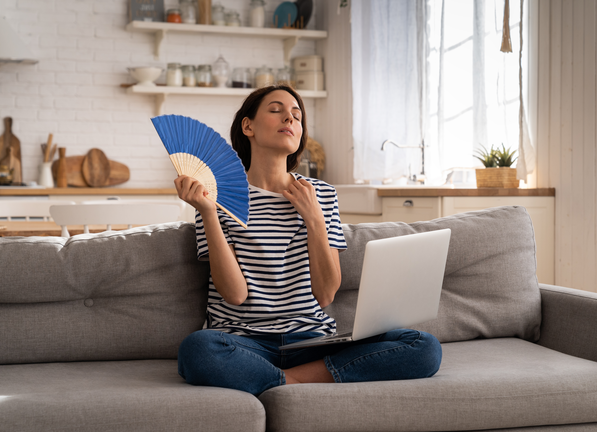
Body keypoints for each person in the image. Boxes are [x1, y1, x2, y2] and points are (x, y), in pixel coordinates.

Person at [174, 84, 442, 396]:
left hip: (311, 341)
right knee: (197, 350)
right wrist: (207, 212)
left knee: (423, 347)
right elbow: (234, 294)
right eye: (276, 110)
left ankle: (281, 381)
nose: (289, 118)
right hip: (243, 340)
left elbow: (326, 293)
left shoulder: (322, 195)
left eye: (297, 116)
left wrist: (314, 218)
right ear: (248, 126)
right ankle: (302, 381)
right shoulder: (216, 198)